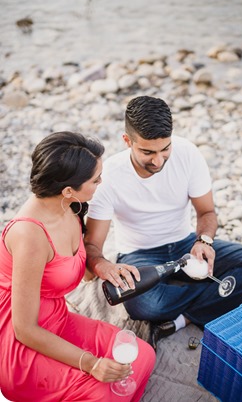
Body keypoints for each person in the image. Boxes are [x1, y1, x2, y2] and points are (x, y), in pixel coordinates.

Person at [84, 96, 242, 350]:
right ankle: (220, 293)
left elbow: (206, 212)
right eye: (148, 152)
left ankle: (183, 318)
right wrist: (103, 265)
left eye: (165, 149)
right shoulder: (109, 176)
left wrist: (203, 241)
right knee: (143, 304)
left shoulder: (187, 153)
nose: (159, 161)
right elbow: (93, 247)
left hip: (186, 243)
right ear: (127, 141)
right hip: (140, 253)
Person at [0, 131, 155, 402]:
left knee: (142, 356)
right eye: (95, 180)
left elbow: (79, 270)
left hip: (58, 320)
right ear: (68, 189)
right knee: (104, 393)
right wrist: (91, 364)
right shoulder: (30, 235)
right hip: (23, 341)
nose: (101, 183)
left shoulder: (69, 207)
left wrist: (101, 265)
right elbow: (24, 329)